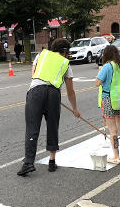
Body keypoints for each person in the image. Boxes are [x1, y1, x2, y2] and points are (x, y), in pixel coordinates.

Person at [17, 38, 80, 176]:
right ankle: (52, 161)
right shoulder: (65, 64)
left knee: (32, 127)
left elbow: (33, 75)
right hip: (53, 93)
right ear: (64, 52)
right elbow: (70, 91)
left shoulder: (41, 55)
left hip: (35, 92)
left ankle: (28, 162)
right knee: (52, 125)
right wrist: (74, 108)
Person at [95, 45, 120, 164]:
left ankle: (115, 156)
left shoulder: (107, 66)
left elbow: (97, 83)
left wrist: (99, 72)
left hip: (108, 98)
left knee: (112, 130)